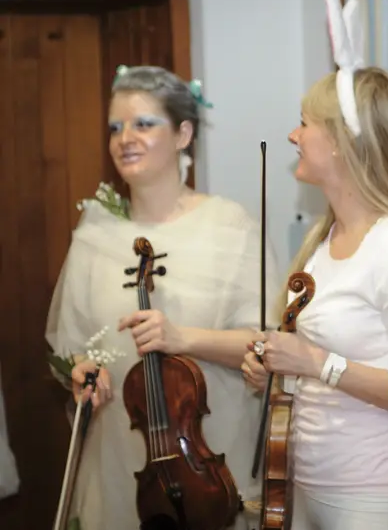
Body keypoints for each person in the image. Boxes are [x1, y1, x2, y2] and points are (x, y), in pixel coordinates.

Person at [239, 0, 388, 530]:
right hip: (303, 483)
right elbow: (310, 362)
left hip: (374, 494)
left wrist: (314, 364)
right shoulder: (320, 241)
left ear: (340, 141)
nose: (293, 134)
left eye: (304, 123)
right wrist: (273, 369)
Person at [45, 65, 280, 530]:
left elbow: (266, 347)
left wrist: (182, 338)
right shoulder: (95, 233)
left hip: (209, 463)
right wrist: (80, 371)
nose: (124, 138)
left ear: (183, 133)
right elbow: (72, 344)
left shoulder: (229, 225)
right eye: (115, 127)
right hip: (119, 459)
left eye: (143, 124)